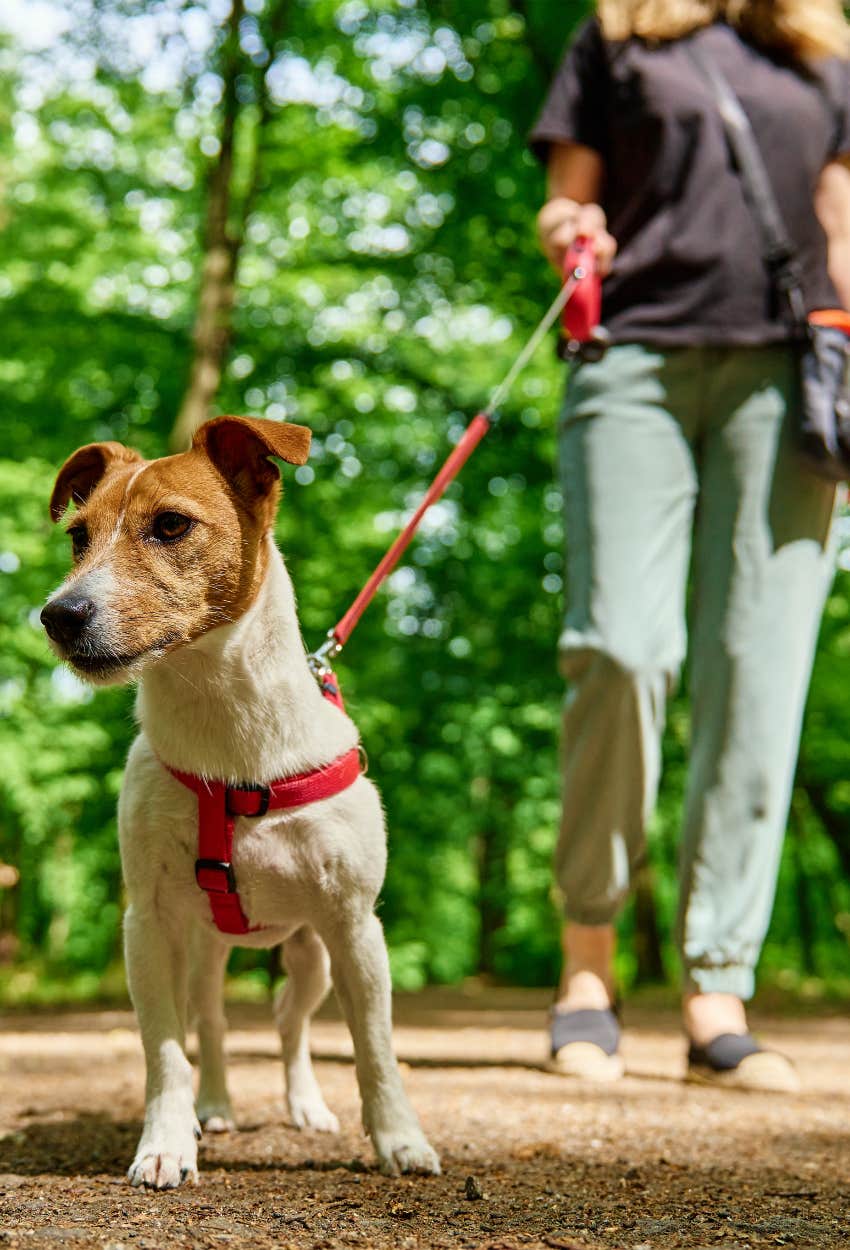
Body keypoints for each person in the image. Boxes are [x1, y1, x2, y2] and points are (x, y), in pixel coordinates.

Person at [530, 0, 850, 1088]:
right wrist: (573, 235)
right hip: (633, 362)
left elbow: (840, 221)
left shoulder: (822, 50)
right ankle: (587, 963)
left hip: (790, 377)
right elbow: (563, 201)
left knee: (758, 669)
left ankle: (718, 980)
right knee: (621, 646)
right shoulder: (618, 37)